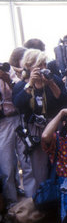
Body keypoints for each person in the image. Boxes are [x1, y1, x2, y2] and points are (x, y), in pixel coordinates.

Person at [12, 49, 67, 193]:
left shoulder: (53, 79)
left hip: (53, 124)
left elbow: (64, 100)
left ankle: (62, 194)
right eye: (40, 64)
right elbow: (18, 104)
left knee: (60, 160)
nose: (44, 67)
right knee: (39, 166)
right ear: (29, 66)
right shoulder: (22, 85)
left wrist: (50, 83)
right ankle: (42, 198)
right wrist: (30, 83)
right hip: (34, 128)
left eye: (45, 64)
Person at [0, 61, 35, 208]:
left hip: (17, 118)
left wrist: (7, 78)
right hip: (2, 123)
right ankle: (12, 204)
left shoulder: (7, 69)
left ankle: (31, 200)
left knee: (26, 160)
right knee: (6, 165)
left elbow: (20, 92)